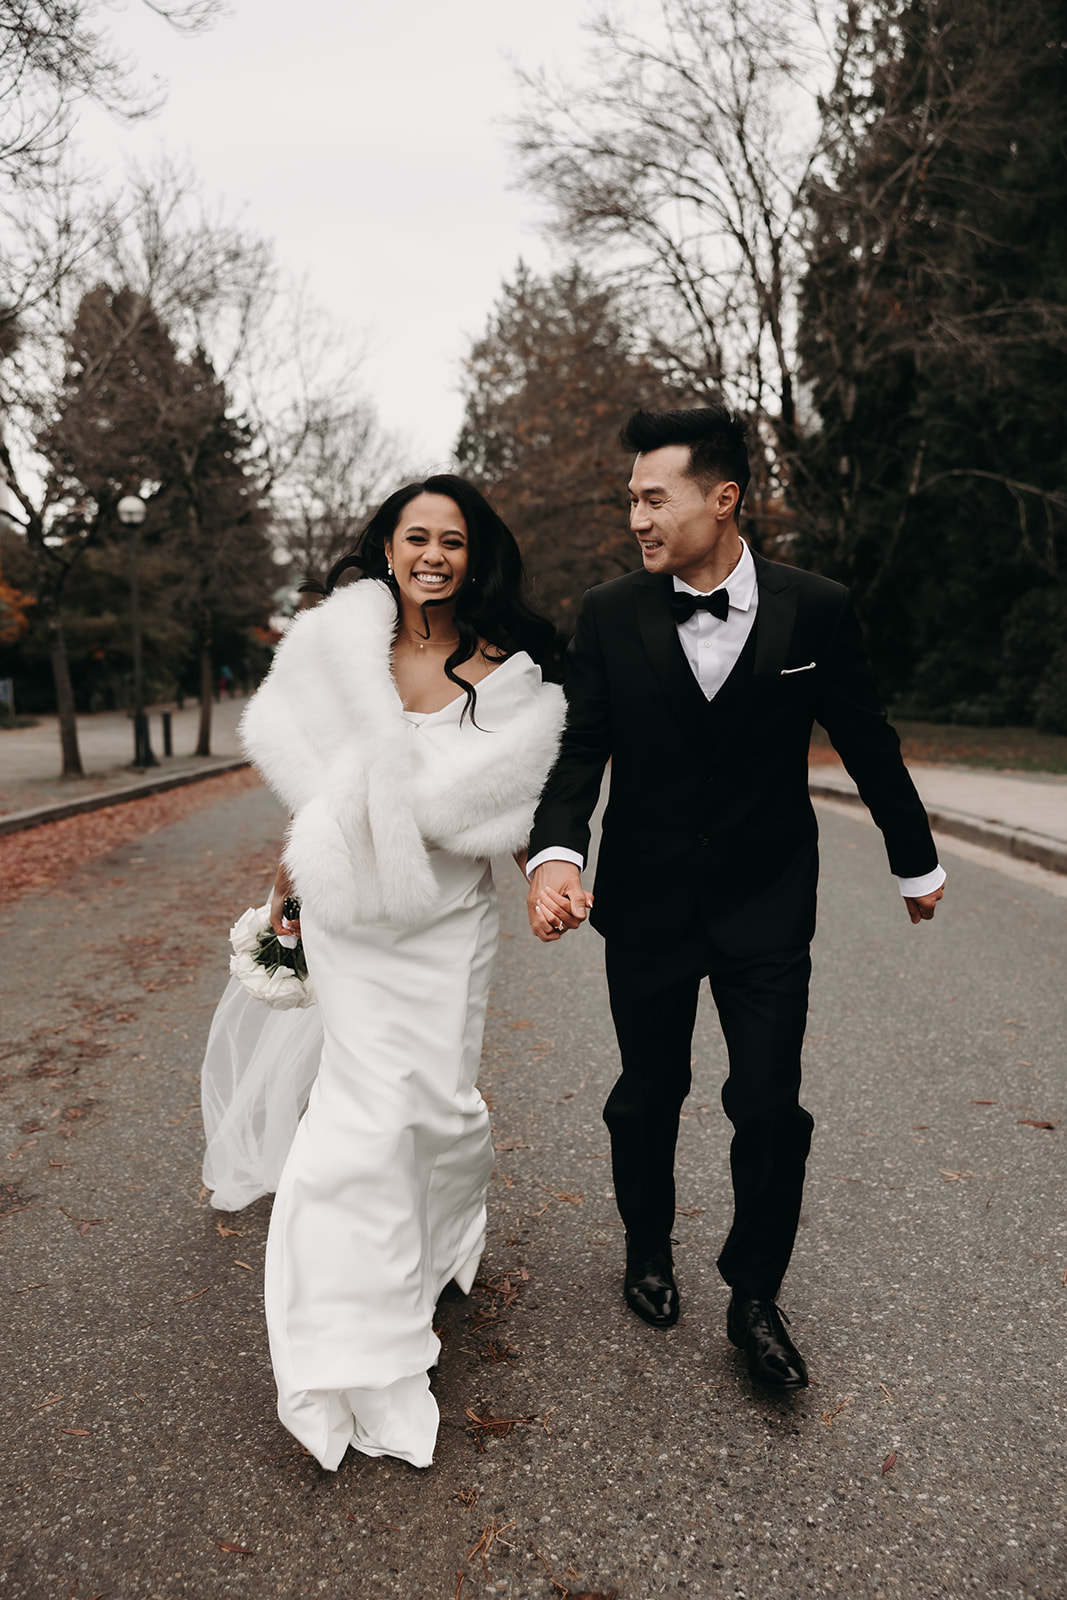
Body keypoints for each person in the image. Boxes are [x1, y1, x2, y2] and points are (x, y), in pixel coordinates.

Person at [525, 407, 944, 1391]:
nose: (634, 514)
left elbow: (866, 739)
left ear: (722, 498)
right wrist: (554, 850)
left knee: (766, 1102)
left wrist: (912, 859)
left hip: (765, 902)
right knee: (646, 1094)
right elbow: (580, 748)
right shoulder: (609, 611)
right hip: (646, 901)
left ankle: (753, 1294)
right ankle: (645, 1249)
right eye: (630, 497)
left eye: (651, 495)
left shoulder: (817, 608)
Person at [200, 475, 565, 1470]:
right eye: (416, 536)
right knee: (351, 1129)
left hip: (448, 921)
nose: (433, 554)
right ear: (388, 546)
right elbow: (321, 795)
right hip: (352, 918)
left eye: (452, 539)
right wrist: (287, 879)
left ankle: (443, 1231)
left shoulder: (512, 674)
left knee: (436, 1109)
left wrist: (549, 872)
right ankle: (348, 1351)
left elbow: (520, 809)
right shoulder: (335, 649)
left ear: (473, 555)